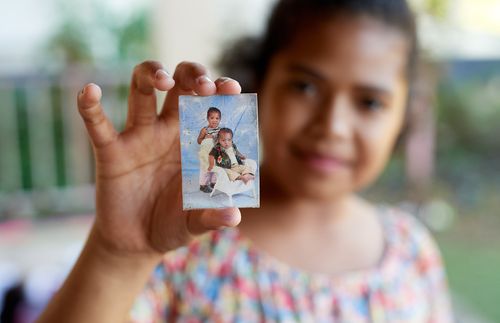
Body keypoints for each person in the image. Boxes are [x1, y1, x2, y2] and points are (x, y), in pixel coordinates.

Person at [37, 0, 454, 322]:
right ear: (259, 80)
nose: (333, 126)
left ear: (407, 111)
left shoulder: (411, 252)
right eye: (305, 87)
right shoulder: (180, 242)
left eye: (369, 102)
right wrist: (118, 255)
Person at [197, 107, 222, 193]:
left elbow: (223, 141)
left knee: (216, 168)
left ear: (220, 119)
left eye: (217, 118)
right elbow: (199, 141)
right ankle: (203, 185)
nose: (214, 120)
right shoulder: (205, 130)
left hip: (216, 153)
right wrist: (205, 139)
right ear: (208, 119)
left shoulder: (220, 130)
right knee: (206, 168)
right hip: (206, 154)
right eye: (212, 118)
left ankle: (213, 182)